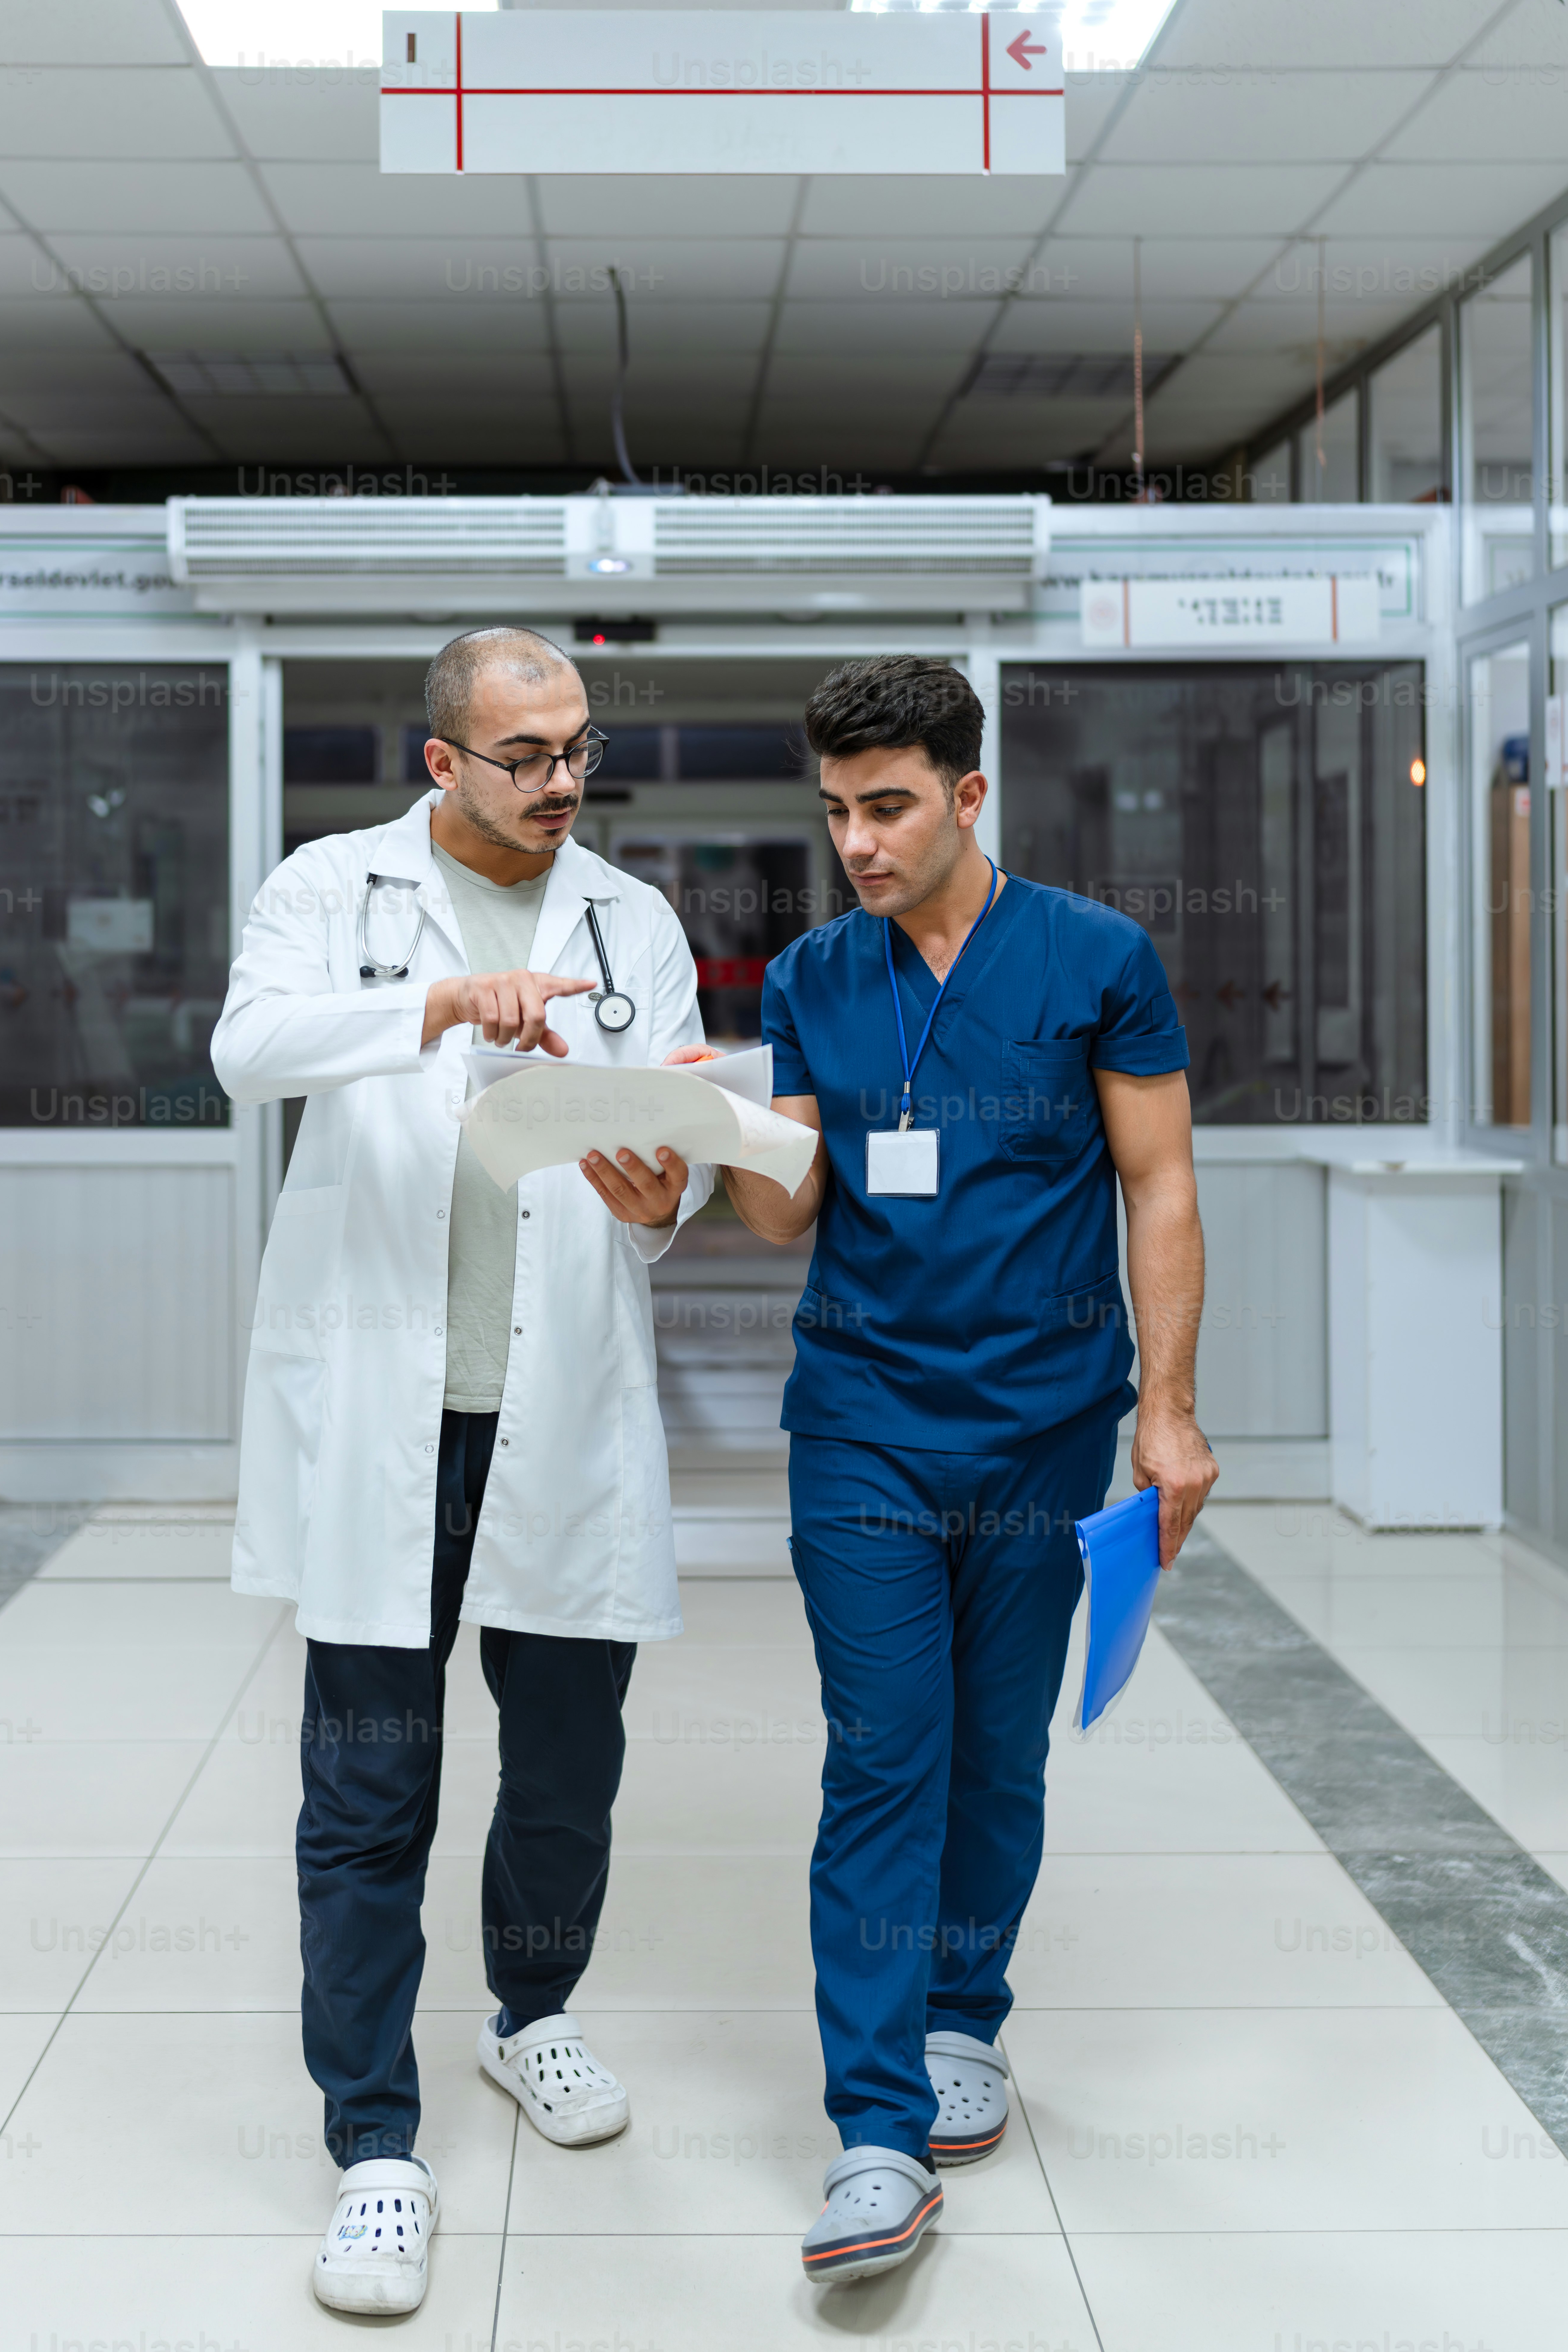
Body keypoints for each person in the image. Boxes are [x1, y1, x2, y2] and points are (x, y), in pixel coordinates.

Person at [691, 653, 1213, 2289]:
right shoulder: (811, 977)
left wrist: (1170, 1410)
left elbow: (1164, 1182)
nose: (857, 838)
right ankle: (873, 2129)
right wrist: (700, 1152)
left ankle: (965, 2014)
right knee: (884, 1753)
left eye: (891, 804)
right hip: (860, 1424)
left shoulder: (1096, 960)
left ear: (970, 794)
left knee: (999, 1754)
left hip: (1050, 1423)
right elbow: (787, 1210)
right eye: (837, 808)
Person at [211, 626, 710, 2318]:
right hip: (386, 1416)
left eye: (577, 748)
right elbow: (250, 1051)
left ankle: (533, 2017)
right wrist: (434, 999)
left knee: (568, 1765)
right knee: (370, 1782)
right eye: (526, 755)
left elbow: (666, 1158)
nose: (564, 780)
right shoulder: (329, 891)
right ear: (444, 763)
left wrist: (668, 1195)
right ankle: (373, 2143)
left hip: (555, 1401)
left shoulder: (629, 919)